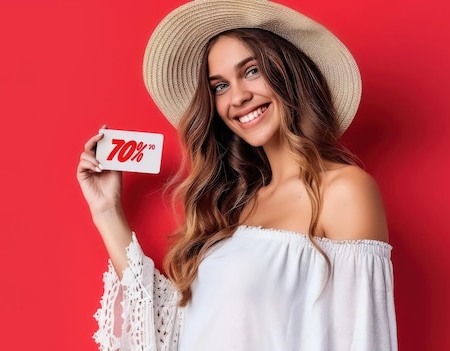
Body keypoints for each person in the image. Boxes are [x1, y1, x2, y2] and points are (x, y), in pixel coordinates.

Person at [76, 0, 397, 350]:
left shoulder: (343, 190)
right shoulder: (235, 206)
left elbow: (363, 339)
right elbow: (176, 331)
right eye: (220, 86)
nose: (239, 97)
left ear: (288, 73)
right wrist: (107, 211)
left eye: (252, 71)